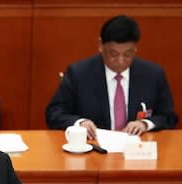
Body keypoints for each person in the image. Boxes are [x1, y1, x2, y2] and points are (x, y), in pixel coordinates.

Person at [45, 15, 178, 140]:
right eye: (113, 54)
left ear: (136, 48)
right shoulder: (79, 73)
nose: (120, 61)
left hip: (137, 150)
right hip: (94, 148)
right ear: (100, 45)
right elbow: (54, 113)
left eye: (127, 54)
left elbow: (169, 117)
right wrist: (80, 123)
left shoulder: (153, 74)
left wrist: (145, 124)